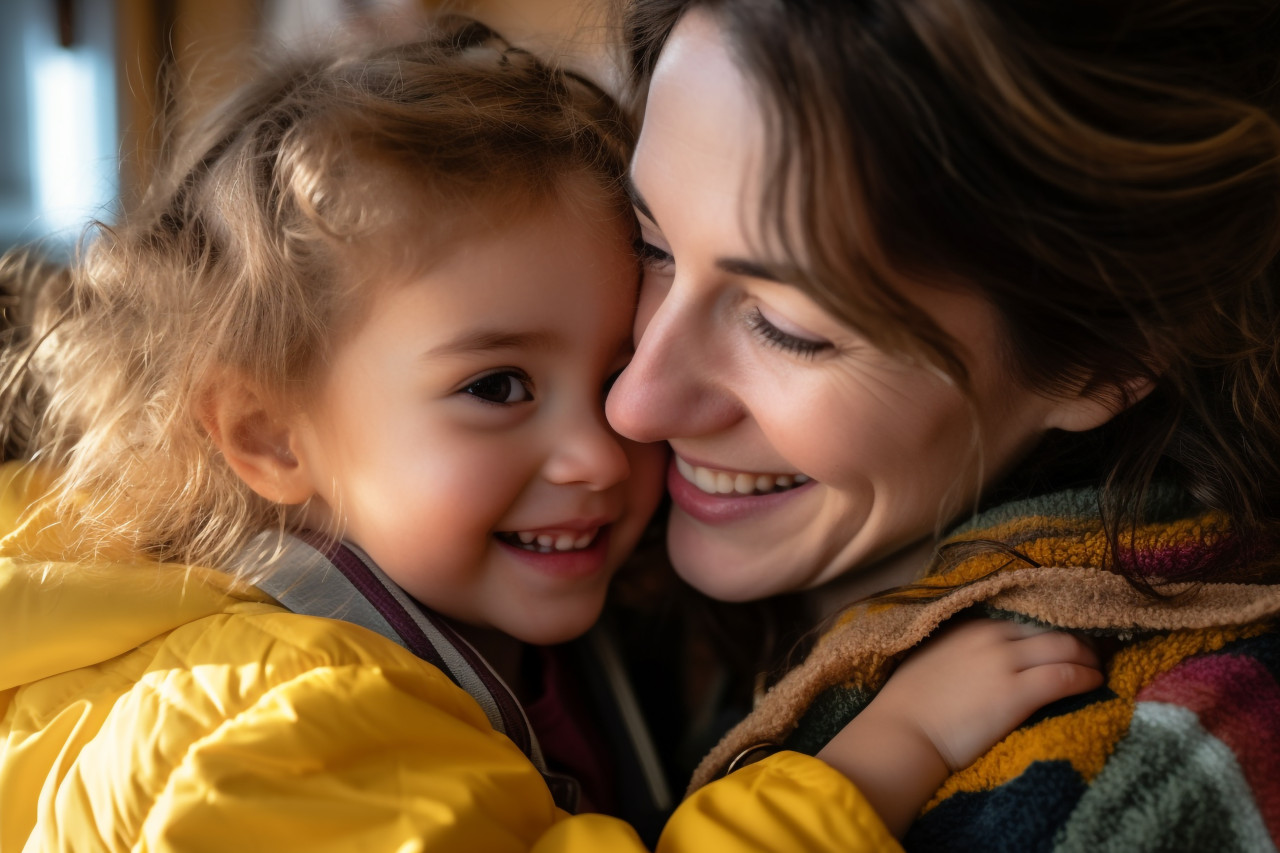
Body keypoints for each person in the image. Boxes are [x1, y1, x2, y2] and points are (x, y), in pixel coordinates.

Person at [0, 12, 1104, 852]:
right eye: (496, 386)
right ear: (266, 435)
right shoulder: (282, 726)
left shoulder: (479, 621)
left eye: (614, 361)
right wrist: (883, 753)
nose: (613, 435)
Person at [606, 0, 1280, 850]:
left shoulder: (1169, 778)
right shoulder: (588, 593)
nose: (635, 401)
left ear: (1100, 359)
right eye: (652, 245)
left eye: (791, 328)